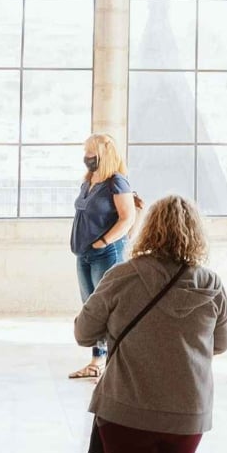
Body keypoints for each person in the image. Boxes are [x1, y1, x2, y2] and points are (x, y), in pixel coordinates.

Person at [75, 195, 227, 453]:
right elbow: (221, 344)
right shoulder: (211, 284)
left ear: (148, 229)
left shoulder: (121, 276)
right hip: (187, 410)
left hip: (126, 408)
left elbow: (83, 333)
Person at [70, 134, 138, 380]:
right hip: (84, 254)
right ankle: (96, 360)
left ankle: (115, 361)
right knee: (91, 307)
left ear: (104, 155)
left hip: (105, 253)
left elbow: (127, 217)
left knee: (110, 307)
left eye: (91, 153)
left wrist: (103, 242)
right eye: (85, 153)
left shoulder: (116, 182)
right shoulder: (89, 180)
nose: (87, 158)